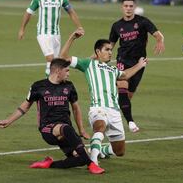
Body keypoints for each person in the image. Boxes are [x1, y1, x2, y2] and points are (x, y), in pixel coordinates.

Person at [0, 58, 104, 174]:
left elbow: (76, 108)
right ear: (58, 71)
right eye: (66, 71)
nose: (69, 74)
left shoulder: (69, 86)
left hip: (67, 130)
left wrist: (81, 130)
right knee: (66, 129)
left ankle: (49, 164)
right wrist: (9, 120)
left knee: (79, 159)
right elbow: (25, 107)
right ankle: (91, 164)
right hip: (48, 128)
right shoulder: (38, 86)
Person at [60, 31, 148, 165]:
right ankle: (93, 162)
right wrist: (72, 37)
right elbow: (63, 57)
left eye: (111, 50)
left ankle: (98, 150)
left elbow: (124, 75)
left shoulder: (113, 70)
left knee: (119, 151)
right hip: (98, 108)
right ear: (98, 51)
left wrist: (139, 65)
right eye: (107, 50)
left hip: (114, 112)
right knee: (99, 127)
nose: (110, 52)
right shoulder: (88, 64)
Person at [109, 0, 165, 133]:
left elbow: (158, 34)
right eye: (126, 6)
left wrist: (159, 41)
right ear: (122, 7)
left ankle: (112, 113)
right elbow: (110, 45)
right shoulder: (117, 26)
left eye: (130, 6)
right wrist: (103, 57)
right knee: (122, 87)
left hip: (139, 62)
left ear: (134, 7)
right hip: (122, 61)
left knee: (127, 96)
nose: (128, 8)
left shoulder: (143, 22)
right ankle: (131, 123)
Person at [18, 0, 84, 76]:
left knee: (55, 62)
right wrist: (22, 29)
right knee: (50, 58)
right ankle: (49, 83)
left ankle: (49, 82)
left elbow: (71, 12)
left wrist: (79, 27)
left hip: (56, 34)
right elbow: (28, 13)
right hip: (43, 33)